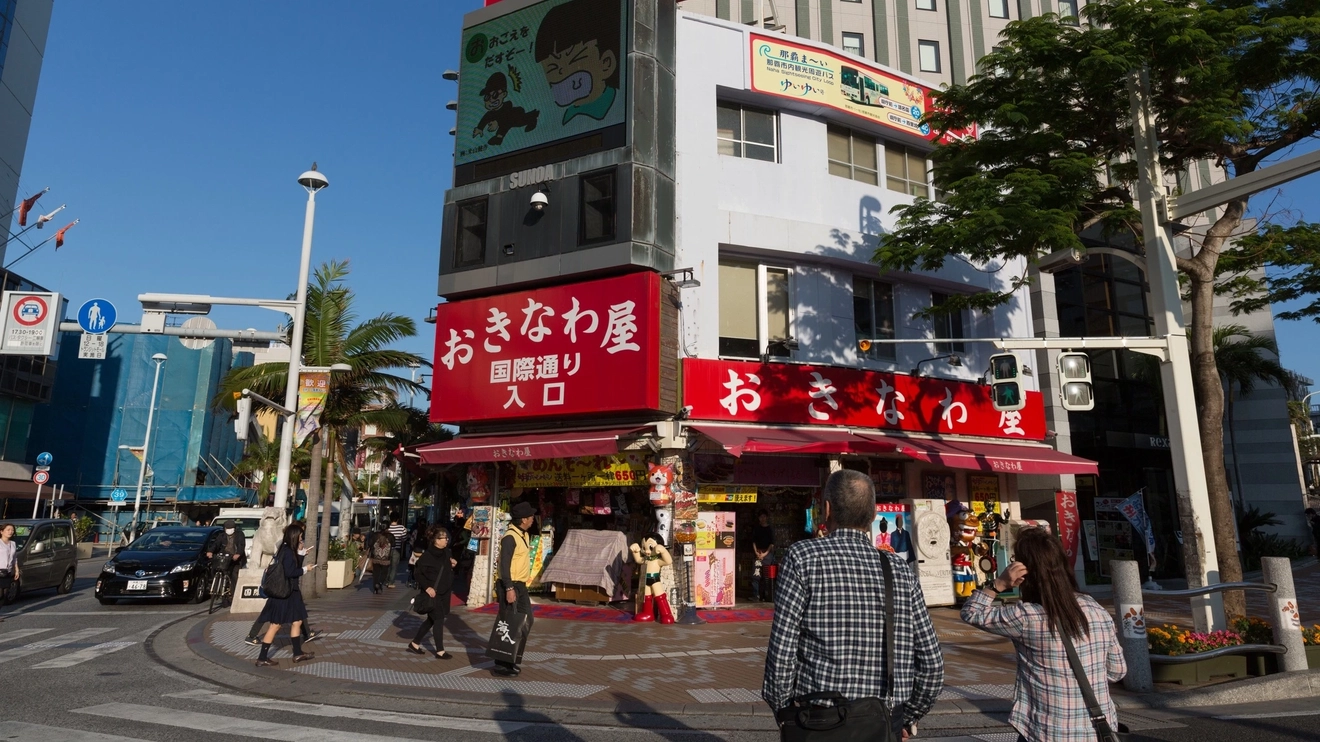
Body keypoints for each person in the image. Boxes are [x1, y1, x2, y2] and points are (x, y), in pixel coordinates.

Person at [763, 470, 944, 739]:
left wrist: (784, 709)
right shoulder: (899, 569)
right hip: (882, 721)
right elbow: (932, 665)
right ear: (873, 516)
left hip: (816, 721)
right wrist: (906, 717)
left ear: (827, 510)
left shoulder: (802, 557)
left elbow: (783, 649)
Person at [961, 527, 1126, 742]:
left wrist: (999, 583)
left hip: (1047, 731)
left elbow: (971, 612)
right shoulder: (1095, 609)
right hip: (1097, 730)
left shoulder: (1026, 617)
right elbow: (1117, 671)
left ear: (1022, 570)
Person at [254, 523, 316, 667]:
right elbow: (291, 573)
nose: (302, 540)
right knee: (275, 625)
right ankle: (262, 657)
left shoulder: (286, 549)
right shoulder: (287, 551)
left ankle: (297, 653)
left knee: (297, 621)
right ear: (294, 537)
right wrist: (306, 569)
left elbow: (292, 567)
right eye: (300, 538)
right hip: (285, 593)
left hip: (290, 592)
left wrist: (301, 554)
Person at [491, 501, 537, 677]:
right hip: (510, 585)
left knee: (526, 620)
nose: (533, 519)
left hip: (521, 585)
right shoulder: (510, 537)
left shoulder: (523, 534)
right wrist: (509, 587)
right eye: (531, 516)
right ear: (523, 519)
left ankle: (511, 658)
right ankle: (501, 664)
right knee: (509, 623)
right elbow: (504, 564)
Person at [408, 525, 456, 659]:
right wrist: (427, 587)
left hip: (444, 592)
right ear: (435, 540)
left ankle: (415, 643)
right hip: (432, 593)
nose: (446, 540)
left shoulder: (447, 552)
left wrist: (452, 563)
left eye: (446, 537)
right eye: (443, 538)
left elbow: (445, 566)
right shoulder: (427, 556)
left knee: (431, 620)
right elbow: (417, 574)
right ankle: (440, 651)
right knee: (439, 619)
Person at [205, 519, 246, 595]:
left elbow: (241, 545)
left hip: (235, 559)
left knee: (234, 575)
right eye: (227, 528)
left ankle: (234, 594)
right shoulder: (222, 536)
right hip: (224, 557)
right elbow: (216, 544)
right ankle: (215, 587)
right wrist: (210, 551)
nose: (229, 530)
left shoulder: (240, 535)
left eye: (231, 528)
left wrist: (238, 554)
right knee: (215, 568)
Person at [749, 509, 775, 603]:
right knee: (756, 575)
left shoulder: (770, 529)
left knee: (765, 576)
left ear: (766, 517)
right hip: (758, 552)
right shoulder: (756, 528)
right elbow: (754, 541)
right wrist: (756, 552)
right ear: (759, 518)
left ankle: (764, 596)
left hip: (767, 554)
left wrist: (765, 554)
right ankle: (756, 595)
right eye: (761, 517)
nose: (762, 519)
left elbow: (772, 543)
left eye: (764, 516)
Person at [0, 523, 19, 622]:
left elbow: (15, 558)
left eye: (12, 530)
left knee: (4, 594)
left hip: (7, 572)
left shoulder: (13, 544)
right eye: (8, 530)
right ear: (1, 531)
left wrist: (16, 570)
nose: (10, 531)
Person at [386, 514, 407, 589]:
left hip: (386, 550)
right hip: (396, 549)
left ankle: (386, 580)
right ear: (398, 519)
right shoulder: (402, 528)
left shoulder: (387, 527)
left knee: (387, 565)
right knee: (394, 566)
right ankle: (391, 582)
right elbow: (404, 539)